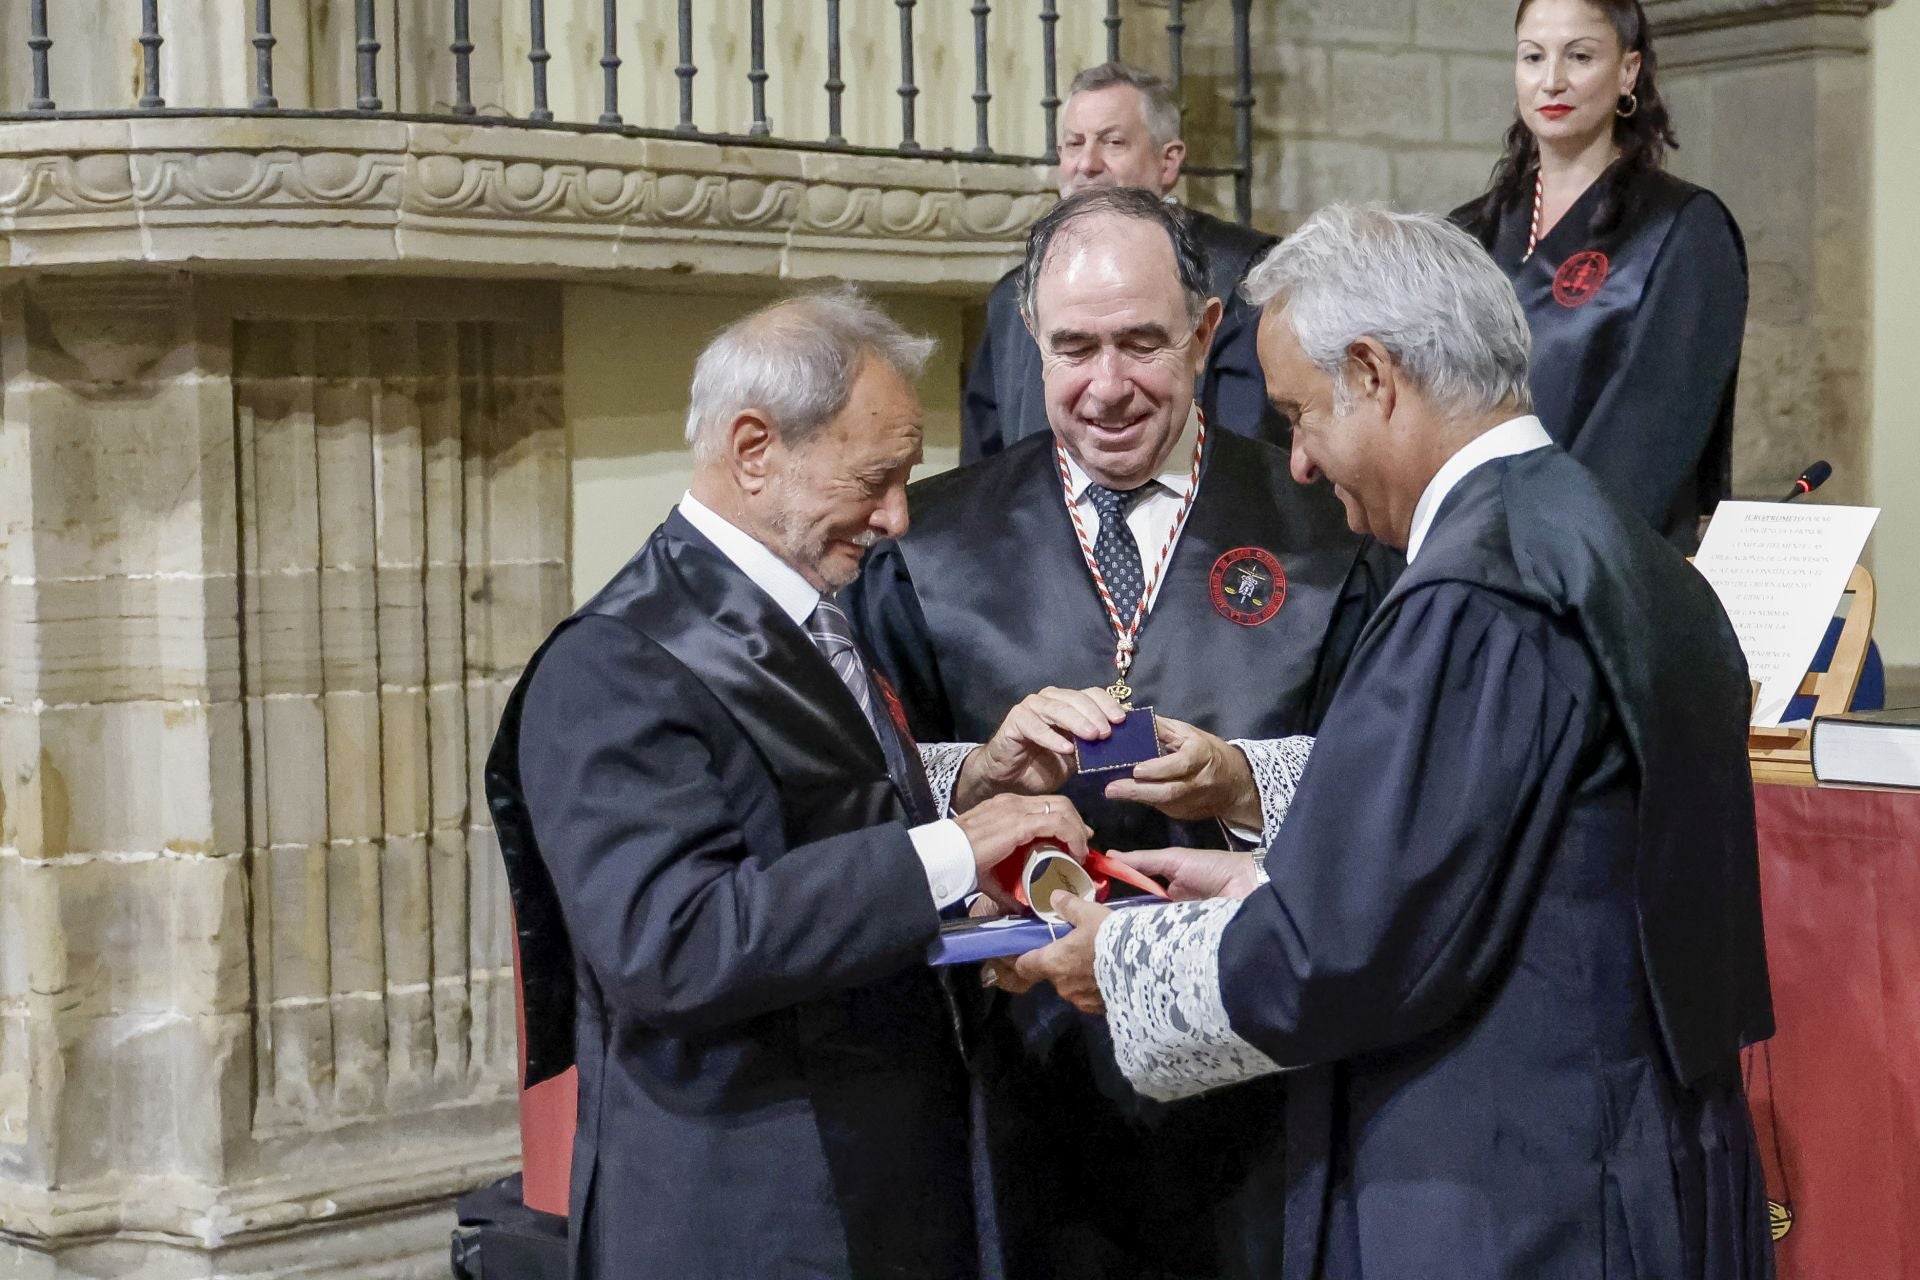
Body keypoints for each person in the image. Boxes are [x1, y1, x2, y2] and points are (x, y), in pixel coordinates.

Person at [1015, 205, 1775, 1279]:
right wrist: (1262, 878)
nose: (1305, 464)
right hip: (1638, 1146)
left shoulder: (1478, 586)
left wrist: (1119, 952)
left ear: (1373, 373)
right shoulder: (1616, 548)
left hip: (1515, 1188)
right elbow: (1517, 853)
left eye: (1300, 414)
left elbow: (1345, 950)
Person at [482, 292, 1093, 1280]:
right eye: (875, 478)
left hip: (876, 1179)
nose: (898, 515)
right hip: (747, 1211)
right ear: (755, 449)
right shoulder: (615, 663)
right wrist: (946, 852)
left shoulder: (811, 610)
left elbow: (813, 830)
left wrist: (969, 816)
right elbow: (671, 942)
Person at [847, 188, 1394, 1279]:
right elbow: (863, 799)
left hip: (1256, 1062)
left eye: (1142, 343)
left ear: (1203, 332)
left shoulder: (1328, 526)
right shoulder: (926, 545)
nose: (1107, 386)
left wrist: (1243, 781)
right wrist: (980, 777)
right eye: (1074, 347)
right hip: (1017, 1065)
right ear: (1030, 340)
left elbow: (1397, 787)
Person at [1451, 0, 1747, 550]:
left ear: (1628, 71)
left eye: (1580, 56)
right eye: (1533, 57)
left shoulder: (1679, 228)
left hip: (1601, 561)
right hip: (1463, 549)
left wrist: (1546, 553)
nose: (1552, 80)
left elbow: (1651, 433)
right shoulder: (1468, 231)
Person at [963, 61, 1285, 462]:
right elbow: (986, 472)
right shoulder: (1011, 299)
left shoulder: (1240, 274)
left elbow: (1253, 456)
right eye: (1074, 144)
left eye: (1112, 143)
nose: (1087, 164)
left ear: (1167, 162)